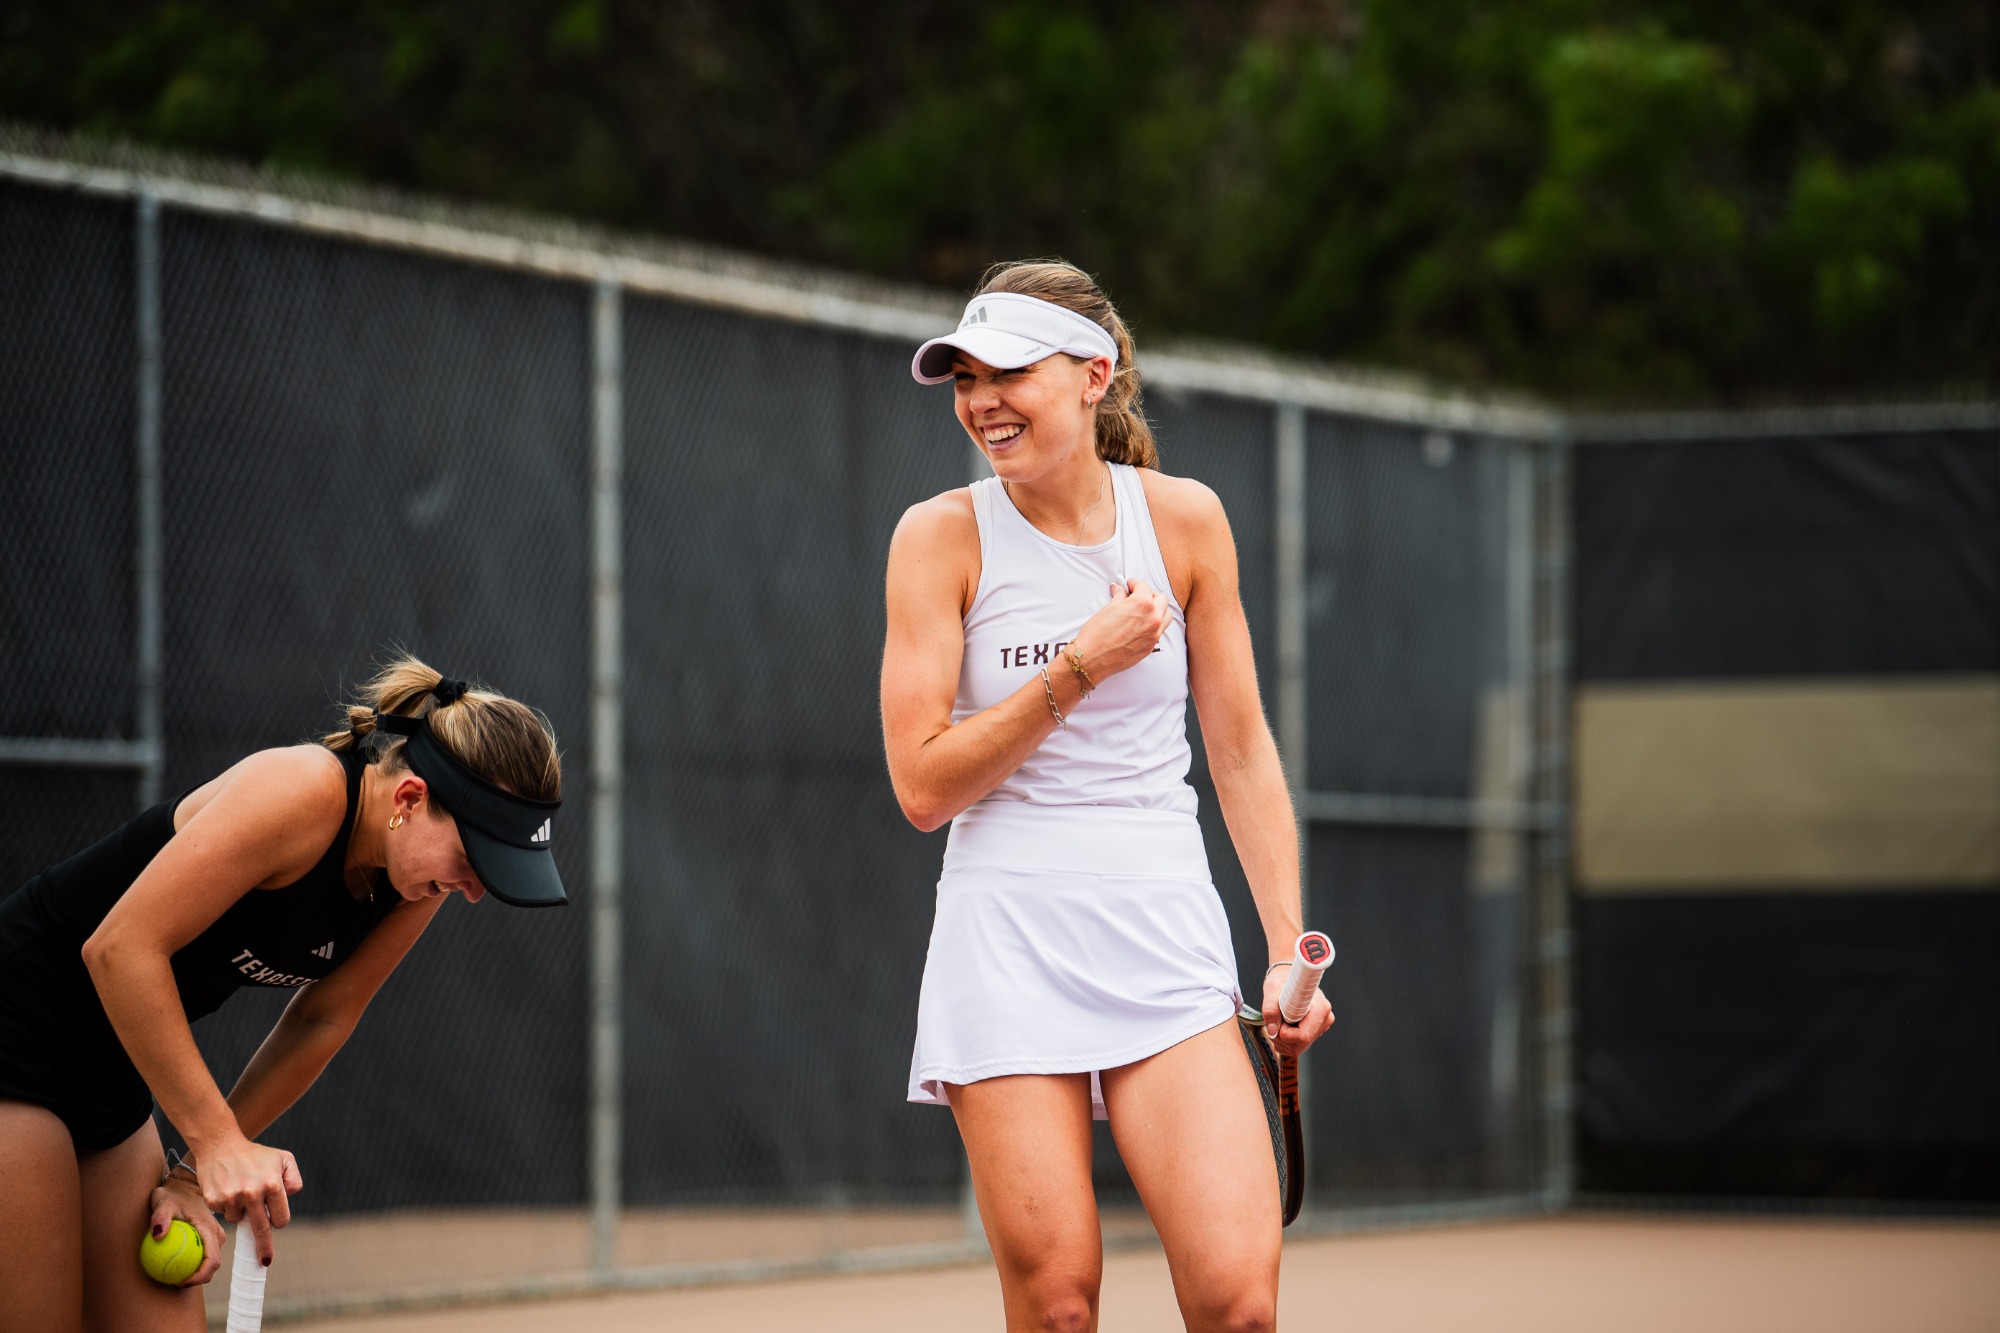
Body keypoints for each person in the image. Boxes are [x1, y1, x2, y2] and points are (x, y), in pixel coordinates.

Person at [882, 261, 1335, 1332]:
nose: (982, 401)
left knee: (1238, 1303)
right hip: (1005, 939)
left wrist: (1286, 949)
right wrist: (1078, 666)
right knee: (1057, 1307)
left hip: (1163, 933)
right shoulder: (936, 535)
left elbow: (1239, 750)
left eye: (1009, 373)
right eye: (964, 379)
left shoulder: (1185, 521)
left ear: (1094, 376)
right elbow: (921, 786)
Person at [0, 656, 566, 1332]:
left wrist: (192, 1174)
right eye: (473, 862)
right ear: (410, 800)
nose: (473, 890)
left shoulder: (415, 877)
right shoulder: (303, 791)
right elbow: (119, 950)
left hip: (112, 1075)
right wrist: (216, 1140)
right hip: (16, 1024)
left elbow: (323, 1018)